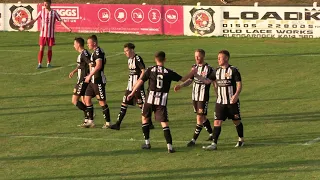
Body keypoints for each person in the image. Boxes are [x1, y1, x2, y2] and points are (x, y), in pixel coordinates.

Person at [127, 51, 194, 153]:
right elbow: (184, 79)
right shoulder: (169, 72)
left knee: (144, 119)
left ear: (155, 59)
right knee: (164, 124)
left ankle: (147, 143)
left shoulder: (150, 70)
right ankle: (170, 147)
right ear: (165, 59)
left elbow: (140, 81)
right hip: (161, 101)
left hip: (149, 100)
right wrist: (192, 72)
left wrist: (132, 92)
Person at [191, 50, 244, 150]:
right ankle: (214, 144)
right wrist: (196, 75)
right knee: (217, 122)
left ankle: (241, 139)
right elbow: (207, 81)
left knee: (236, 121)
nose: (218, 59)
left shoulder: (234, 70)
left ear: (226, 58)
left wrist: (236, 95)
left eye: (220, 58)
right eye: (218, 58)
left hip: (232, 102)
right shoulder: (217, 71)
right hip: (220, 102)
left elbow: (239, 84)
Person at [174, 49, 215, 147]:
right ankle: (212, 134)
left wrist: (196, 74)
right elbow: (190, 80)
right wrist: (181, 85)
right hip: (195, 96)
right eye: (195, 56)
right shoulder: (194, 67)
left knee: (199, 117)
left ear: (203, 56)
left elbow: (207, 81)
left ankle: (193, 140)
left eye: (199, 56)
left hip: (203, 97)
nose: (196, 58)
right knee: (202, 116)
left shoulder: (209, 69)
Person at [110, 43, 154, 130]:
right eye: (124, 51)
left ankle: (150, 123)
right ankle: (118, 124)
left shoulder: (137, 58)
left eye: (126, 51)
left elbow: (143, 71)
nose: (125, 53)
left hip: (138, 87)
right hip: (130, 87)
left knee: (142, 105)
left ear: (132, 50)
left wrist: (138, 81)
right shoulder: (129, 60)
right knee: (124, 103)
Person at [19, 0, 72, 69]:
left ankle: (48, 63)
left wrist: (67, 28)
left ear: (50, 4)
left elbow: (60, 21)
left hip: (51, 34)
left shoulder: (54, 12)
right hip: (42, 34)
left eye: (46, 3)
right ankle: (39, 63)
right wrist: (25, 25)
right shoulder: (41, 12)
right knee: (41, 48)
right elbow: (34, 20)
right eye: (44, 3)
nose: (45, 5)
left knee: (49, 49)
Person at [82, 35, 111, 128]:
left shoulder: (98, 52)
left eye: (88, 43)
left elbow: (98, 66)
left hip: (98, 81)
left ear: (94, 43)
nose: (87, 45)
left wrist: (90, 75)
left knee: (102, 102)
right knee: (87, 99)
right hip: (92, 81)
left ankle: (108, 122)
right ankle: (90, 121)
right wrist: (89, 76)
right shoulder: (94, 52)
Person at [68, 37, 91, 126]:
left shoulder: (84, 53)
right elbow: (82, 65)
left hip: (83, 80)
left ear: (78, 44)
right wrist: (74, 71)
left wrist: (89, 75)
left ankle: (89, 114)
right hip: (81, 80)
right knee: (84, 100)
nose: (73, 46)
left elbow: (90, 63)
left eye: (74, 44)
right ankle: (87, 120)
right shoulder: (82, 54)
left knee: (74, 100)